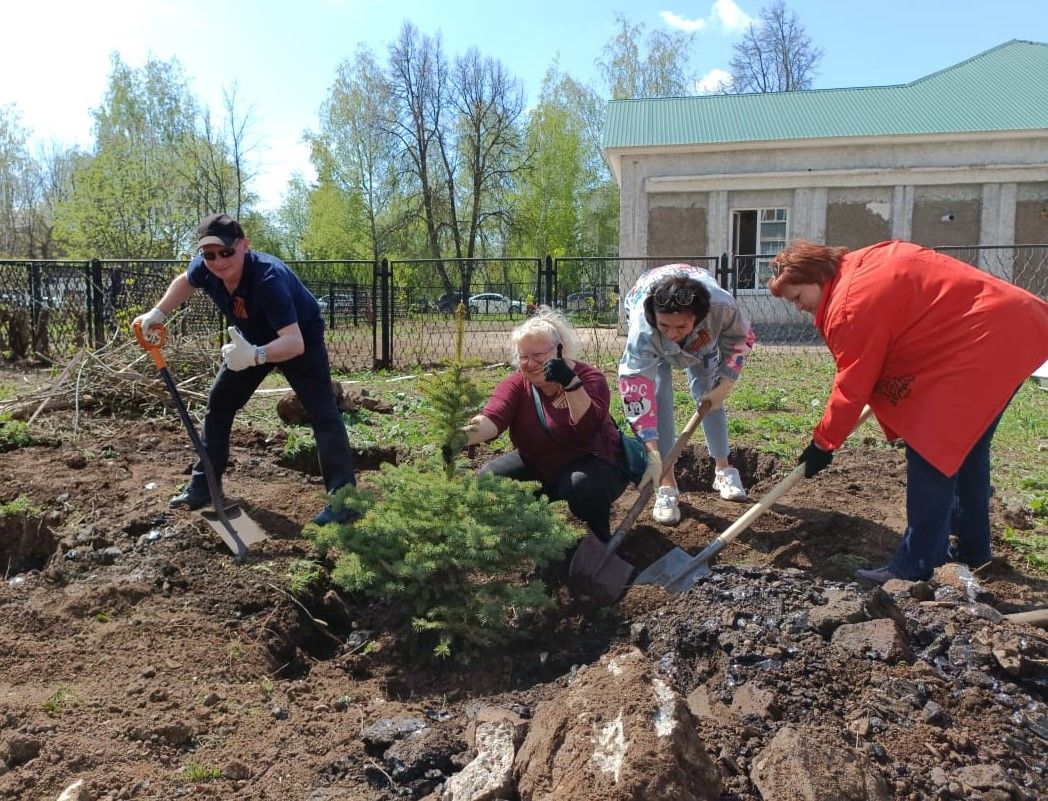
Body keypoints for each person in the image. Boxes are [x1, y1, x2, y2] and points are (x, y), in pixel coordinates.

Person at [769, 239, 1048, 584]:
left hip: (982, 340)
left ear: (816, 277)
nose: (799, 307)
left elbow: (852, 384)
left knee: (931, 449)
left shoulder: (849, 305)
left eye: (797, 297)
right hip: (1009, 326)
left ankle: (913, 567)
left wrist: (823, 444)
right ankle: (972, 551)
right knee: (968, 451)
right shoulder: (860, 264)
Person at [133, 213, 357, 526]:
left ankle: (343, 502)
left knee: (322, 412)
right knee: (220, 403)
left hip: (299, 338)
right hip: (250, 340)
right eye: (209, 254)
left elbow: (294, 343)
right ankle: (204, 487)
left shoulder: (268, 279)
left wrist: (255, 355)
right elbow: (185, 281)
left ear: (244, 246)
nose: (218, 261)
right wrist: (157, 313)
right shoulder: (206, 268)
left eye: (226, 252)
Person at [464, 308, 628, 541]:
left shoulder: (591, 378)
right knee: (491, 477)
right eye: (523, 357)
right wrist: (461, 436)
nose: (530, 364)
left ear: (559, 350)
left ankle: (599, 538)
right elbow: (493, 417)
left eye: (538, 355)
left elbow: (586, 428)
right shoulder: (517, 384)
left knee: (580, 485)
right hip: (540, 463)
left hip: (593, 462)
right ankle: (528, 539)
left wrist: (570, 383)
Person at [619, 264, 756, 524]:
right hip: (651, 334)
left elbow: (740, 338)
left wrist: (726, 381)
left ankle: (723, 469)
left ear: (697, 317)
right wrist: (653, 453)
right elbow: (636, 391)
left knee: (708, 391)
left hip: (702, 340)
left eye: (681, 326)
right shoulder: (643, 330)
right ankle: (666, 484)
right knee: (658, 395)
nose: (672, 334)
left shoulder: (720, 308)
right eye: (665, 325)